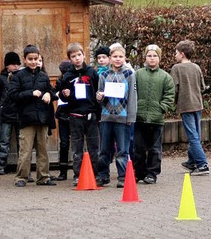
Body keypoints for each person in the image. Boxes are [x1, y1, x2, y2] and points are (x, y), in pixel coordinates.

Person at [9, 44, 57, 187]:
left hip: (43, 118)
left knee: (43, 151)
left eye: (36, 59)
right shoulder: (18, 76)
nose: (33, 62)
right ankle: (21, 177)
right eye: (30, 59)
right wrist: (30, 93)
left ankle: (43, 177)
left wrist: (49, 94)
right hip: (26, 119)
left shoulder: (43, 75)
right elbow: (13, 95)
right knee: (25, 150)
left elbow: (52, 91)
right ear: (24, 60)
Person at [58, 42, 101, 186]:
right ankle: (78, 175)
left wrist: (98, 111)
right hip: (75, 115)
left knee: (94, 146)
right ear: (70, 59)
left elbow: (97, 93)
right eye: (73, 56)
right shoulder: (68, 76)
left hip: (90, 114)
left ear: (84, 55)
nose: (77, 58)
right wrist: (65, 94)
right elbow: (63, 96)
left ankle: (94, 174)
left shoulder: (92, 72)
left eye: (79, 55)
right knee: (77, 148)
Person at [96, 43, 137, 188]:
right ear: (110, 58)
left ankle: (122, 176)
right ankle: (103, 175)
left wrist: (131, 117)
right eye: (115, 56)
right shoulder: (103, 75)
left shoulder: (129, 74)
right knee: (104, 149)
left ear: (125, 58)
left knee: (122, 149)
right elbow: (99, 96)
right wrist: (99, 96)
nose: (118, 59)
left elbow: (132, 96)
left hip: (123, 117)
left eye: (120, 57)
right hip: (106, 117)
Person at [133, 44, 175, 184]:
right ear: (145, 58)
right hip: (139, 118)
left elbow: (169, 95)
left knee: (155, 149)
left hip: (156, 120)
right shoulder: (138, 74)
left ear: (159, 58)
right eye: (149, 56)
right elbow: (132, 92)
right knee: (138, 148)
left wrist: (161, 108)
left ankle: (152, 173)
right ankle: (139, 172)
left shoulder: (165, 77)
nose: (152, 58)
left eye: (155, 56)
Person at [170, 40, 210, 176]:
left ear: (182, 54)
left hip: (185, 105)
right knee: (196, 134)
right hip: (197, 104)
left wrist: (172, 102)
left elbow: (174, 89)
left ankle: (202, 163)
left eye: (175, 53)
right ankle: (191, 161)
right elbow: (203, 87)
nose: (174, 56)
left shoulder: (176, 69)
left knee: (192, 136)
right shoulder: (196, 67)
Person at [0, 51, 21, 175]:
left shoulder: (22, 77)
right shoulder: (1, 80)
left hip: (20, 114)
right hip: (6, 113)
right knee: (4, 140)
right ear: (7, 65)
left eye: (17, 64)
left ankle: (22, 166)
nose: (16, 66)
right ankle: (0, 165)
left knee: (23, 141)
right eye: (13, 64)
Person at [54, 60, 73, 181]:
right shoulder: (60, 81)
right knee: (64, 143)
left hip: (74, 113)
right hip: (63, 114)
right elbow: (56, 93)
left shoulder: (75, 79)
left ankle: (78, 169)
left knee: (75, 143)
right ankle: (63, 171)